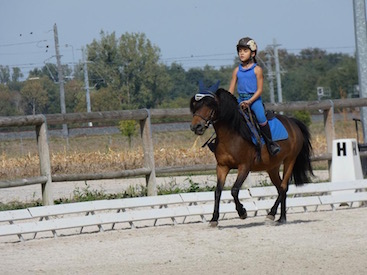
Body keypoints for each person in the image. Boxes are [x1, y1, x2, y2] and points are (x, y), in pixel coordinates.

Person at [228, 37, 280, 156]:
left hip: (254, 99)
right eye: (240, 51)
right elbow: (231, 89)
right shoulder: (236, 70)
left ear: (253, 53)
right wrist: (229, 101)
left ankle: (271, 144)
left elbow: (260, 90)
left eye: (245, 51)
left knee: (261, 118)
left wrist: (250, 101)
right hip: (240, 99)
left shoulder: (257, 70)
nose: (241, 53)